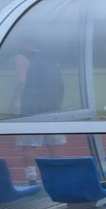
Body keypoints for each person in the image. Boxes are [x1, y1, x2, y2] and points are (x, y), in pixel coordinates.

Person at [10, 38, 66, 184]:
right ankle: (57, 176)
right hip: (53, 107)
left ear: (29, 43)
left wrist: (13, 102)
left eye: (22, 42)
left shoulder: (22, 58)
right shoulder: (52, 59)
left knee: (29, 144)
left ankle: (31, 178)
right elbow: (60, 83)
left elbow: (20, 81)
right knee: (54, 144)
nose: (19, 45)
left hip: (31, 108)